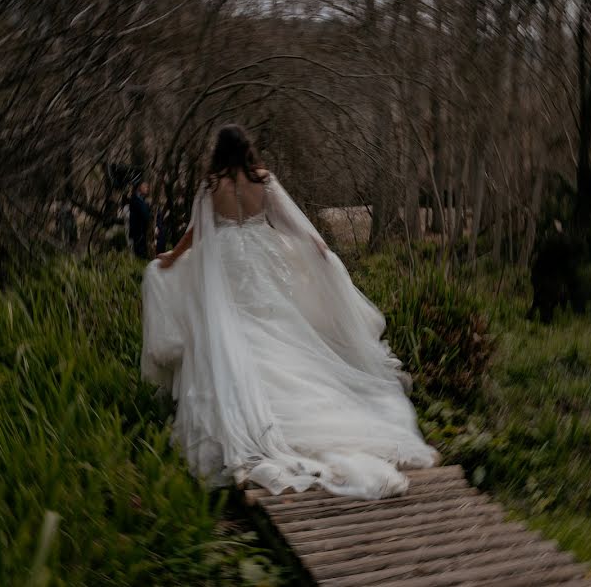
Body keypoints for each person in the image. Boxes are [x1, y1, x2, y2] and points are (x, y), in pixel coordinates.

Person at [141, 124, 437, 499]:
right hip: (262, 257)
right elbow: (291, 224)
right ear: (247, 148)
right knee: (277, 327)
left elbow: (197, 232)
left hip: (229, 261)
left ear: (218, 151)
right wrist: (321, 250)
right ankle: (308, 410)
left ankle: (256, 416)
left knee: (239, 329)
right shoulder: (262, 181)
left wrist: (172, 257)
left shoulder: (210, 185)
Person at [129, 181, 152, 258]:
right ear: (139, 187)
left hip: (141, 232)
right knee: (140, 254)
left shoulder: (141, 199)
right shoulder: (135, 200)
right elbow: (145, 215)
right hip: (138, 232)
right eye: (145, 187)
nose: (147, 188)